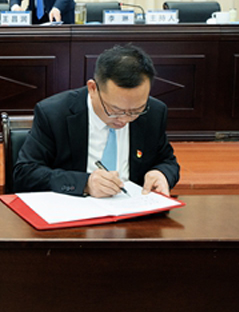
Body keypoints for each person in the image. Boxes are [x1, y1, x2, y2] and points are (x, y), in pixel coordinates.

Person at [13, 44, 180, 197]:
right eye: (115, 110)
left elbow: (167, 161)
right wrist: (85, 184)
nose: (124, 119)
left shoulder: (154, 112)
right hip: (73, 210)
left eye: (136, 110)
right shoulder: (55, 113)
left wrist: (161, 174)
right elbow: (25, 173)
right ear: (92, 89)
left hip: (133, 210)